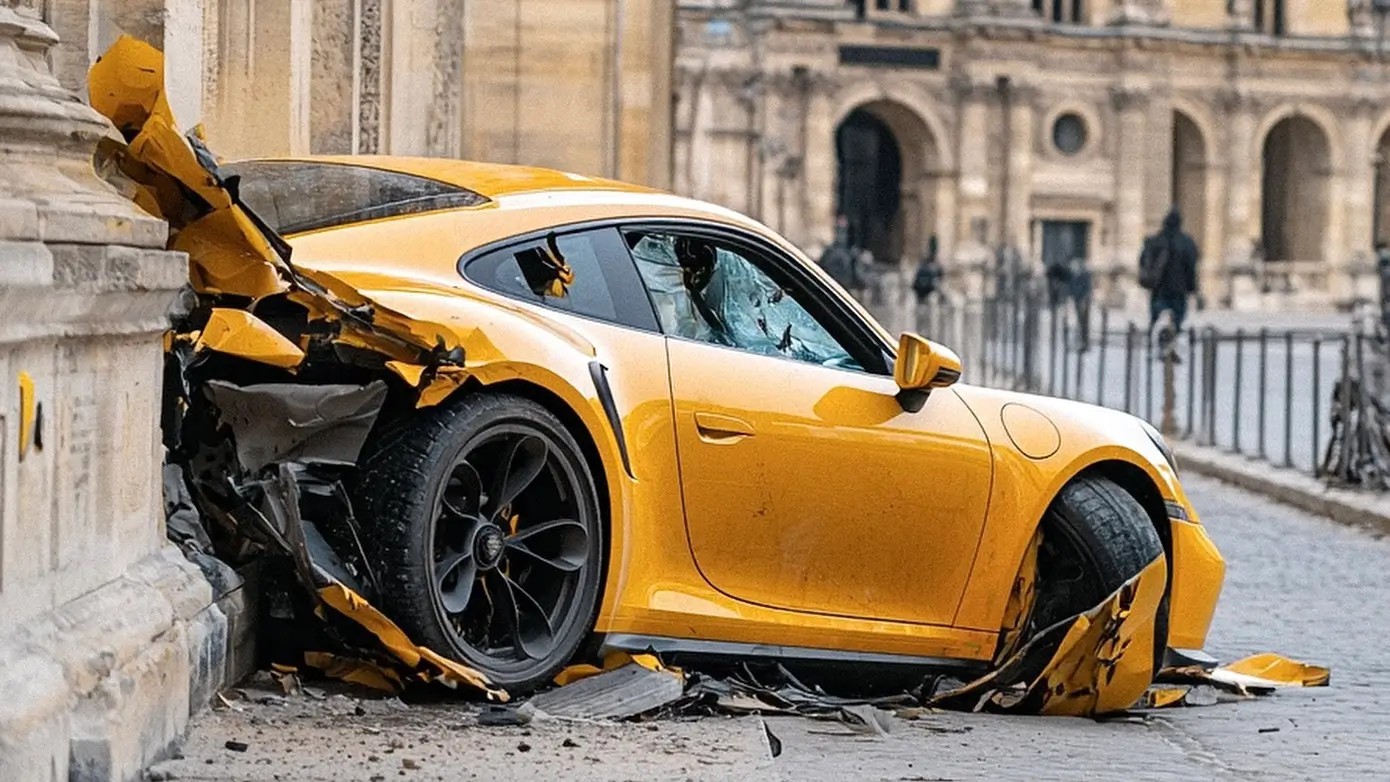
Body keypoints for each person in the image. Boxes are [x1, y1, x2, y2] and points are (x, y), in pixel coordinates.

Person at [1139, 208, 1200, 340]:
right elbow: (1191, 266)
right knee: (1178, 317)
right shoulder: (1186, 242)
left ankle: (1157, 334)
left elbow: (1143, 260)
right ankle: (1170, 343)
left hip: (1158, 287)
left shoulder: (1154, 240)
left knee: (1157, 313)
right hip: (1179, 287)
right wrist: (1192, 287)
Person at [818, 215, 862, 297]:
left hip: (845, 292)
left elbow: (858, 277)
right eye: (838, 230)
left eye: (843, 230)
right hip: (829, 290)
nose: (841, 234)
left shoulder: (852, 253)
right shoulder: (829, 251)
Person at [911, 237, 943, 329]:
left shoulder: (931, 265)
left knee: (925, 315)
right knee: (923, 315)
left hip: (926, 294)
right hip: (925, 293)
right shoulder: (930, 265)